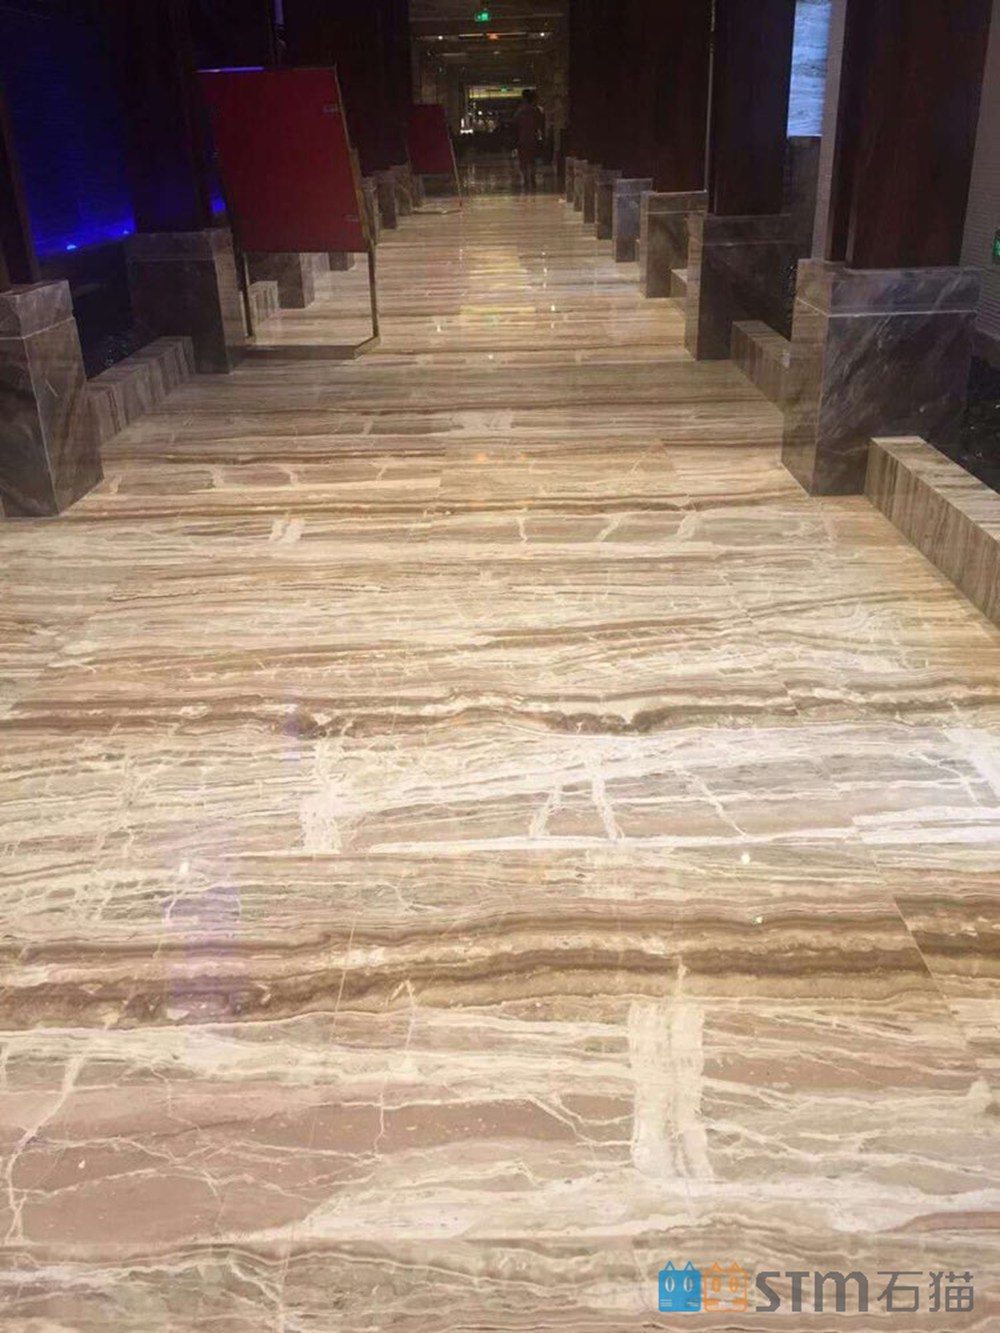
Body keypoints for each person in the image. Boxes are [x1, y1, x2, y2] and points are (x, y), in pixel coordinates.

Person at [512, 88, 544, 192]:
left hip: (522, 139)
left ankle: (526, 179)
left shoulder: (520, 111)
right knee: (532, 160)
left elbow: (515, 124)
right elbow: (540, 124)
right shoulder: (536, 110)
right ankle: (532, 178)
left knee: (523, 161)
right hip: (533, 138)